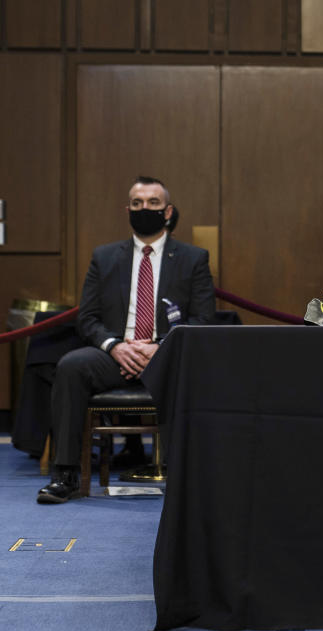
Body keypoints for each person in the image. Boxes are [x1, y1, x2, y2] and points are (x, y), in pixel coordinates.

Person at [37, 176, 215, 504]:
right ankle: (65, 474)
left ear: (168, 211)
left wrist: (158, 348)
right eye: (137, 204)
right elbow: (87, 318)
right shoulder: (105, 258)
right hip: (116, 353)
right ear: (128, 210)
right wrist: (116, 347)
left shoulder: (193, 259)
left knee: (196, 372)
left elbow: (203, 320)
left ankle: (187, 478)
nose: (143, 208)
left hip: (169, 354)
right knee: (71, 367)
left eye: (152, 203)